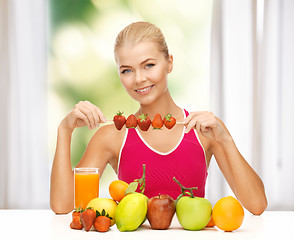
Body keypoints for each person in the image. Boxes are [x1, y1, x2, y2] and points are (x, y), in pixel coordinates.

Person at [50, 21, 267, 215]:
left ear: (169, 63)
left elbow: (257, 205)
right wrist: (64, 130)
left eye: (149, 65)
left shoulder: (205, 130)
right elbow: (62, 205)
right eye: (127, 70)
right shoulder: (112, 136)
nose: (139, 79)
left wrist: (225, 139)